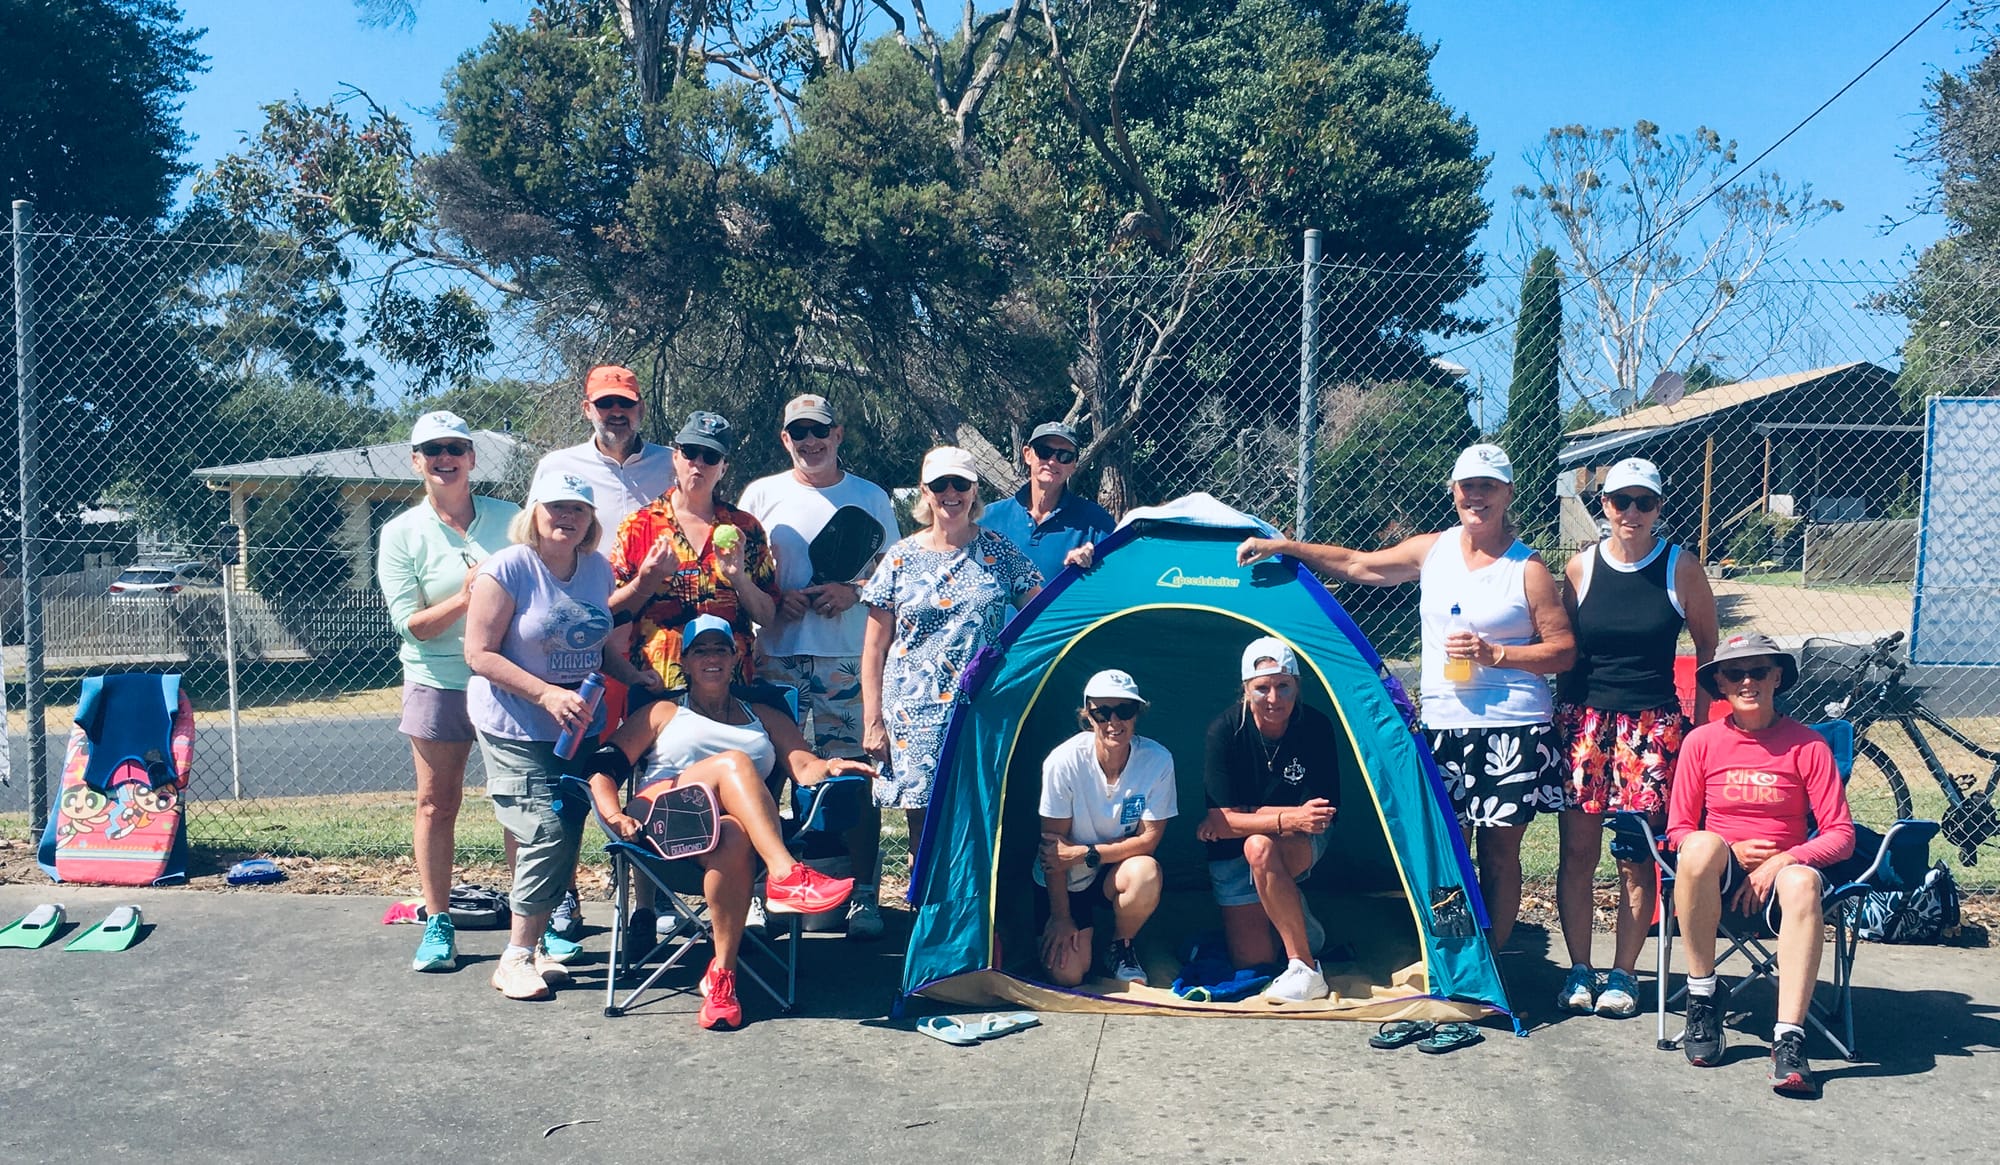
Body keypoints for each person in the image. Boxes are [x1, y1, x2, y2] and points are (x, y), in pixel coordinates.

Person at [1236, 443, 1573, 954]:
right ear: (1454, 492)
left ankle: (1495, 963)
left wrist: (1496, 655)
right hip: (1443, 727)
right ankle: (1458, 954)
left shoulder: (1526, 568)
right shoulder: (1431, 550)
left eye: (1488, 486)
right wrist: (1287, 548)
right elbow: (1357, 564)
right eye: (1467, 486)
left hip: (1513, 727)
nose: (1476, 496)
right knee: (1445, 849)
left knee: (1500, 855)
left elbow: (1563, 651)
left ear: (1507, 493)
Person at [583, 614, 864, 1030]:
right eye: (701, 650)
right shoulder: (663, 711)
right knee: (734, 763)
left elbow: (803, 765)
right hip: (663, 818)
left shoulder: (765, 715)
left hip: (730, 832)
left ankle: (722, 979)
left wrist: (833, 765)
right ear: (685, 662)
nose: (711, 657)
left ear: (736, 658)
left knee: (731, 834)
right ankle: (787, 873)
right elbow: (602, 768)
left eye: (721, 649)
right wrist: (613, 815)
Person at [1553, 457, 1719, 1018]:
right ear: (1604, 506)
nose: (1631, 512)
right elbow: (1562, 648)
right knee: (1577, 851)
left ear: (1658, 508)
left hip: (1652, 729)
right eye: (1620, 501)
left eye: (1643, 502)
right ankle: (1580, 967)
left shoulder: (1681, 568)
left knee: (1635, 855)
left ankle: (1624, 974)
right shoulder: (1580, 569)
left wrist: (1694, 730)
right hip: (1585, 725)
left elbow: (1709, 654)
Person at [738, 394, 903, 941]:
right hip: (776, 655)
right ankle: (764, 892)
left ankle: (862, 894)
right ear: (786, 439)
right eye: (798, 432)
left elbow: (893, 571)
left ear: (838, 435)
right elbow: (744, 570)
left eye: (820, 430)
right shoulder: (761, 494)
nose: (810, 441)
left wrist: (852, 591)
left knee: (854, 775)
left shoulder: (870, 497)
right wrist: (773, 596)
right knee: (768, 774)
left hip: (845, 658)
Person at [1668, 632, 1857, 1097]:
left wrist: (1784, 858)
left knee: (1801, 883)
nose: (1747, 680)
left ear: (1777, 677)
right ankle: (1702, 996)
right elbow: (1678, 829)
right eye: (1735, 673)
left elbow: (1841, 834)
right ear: (1721, 684)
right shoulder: (1701, 742)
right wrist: (1731, 853)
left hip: (1781, 884)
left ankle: (1789, 1039)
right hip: (1720, 880)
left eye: (1758, 671)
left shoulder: (1808, 745)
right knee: (1697, 847)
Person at [530, 363, 677, 938]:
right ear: (587, 408)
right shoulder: (560, 467)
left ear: (641, 409)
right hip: (577, 646)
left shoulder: (673, 463)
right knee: (568, 771)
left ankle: (652, 897)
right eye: (606, 404)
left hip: (649, 645)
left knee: (647, 764)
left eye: (628, 404)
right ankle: (562, 898)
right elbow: (540, 545)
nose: (618, 413)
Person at [375, 411, 521, 974]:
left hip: (506, 679)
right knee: (437, 803)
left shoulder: (510, 520)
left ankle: (531, 921)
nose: (445, 457)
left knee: (515, 802)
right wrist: (469, 597)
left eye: (455, 447)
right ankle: (438, 922)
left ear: (471, 458)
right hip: (436, 680)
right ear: (417, 461)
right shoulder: (400, 533)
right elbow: (411, 625)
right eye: (432, 449)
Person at [463, 472, 616, 1001]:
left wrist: (631, 672)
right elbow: (479, 653)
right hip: (514, 722)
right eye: (556, 506)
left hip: (579, 725)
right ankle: (516, 956)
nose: (567, 516)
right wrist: (546, 693)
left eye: (579, 508)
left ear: (590, 520)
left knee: (567, 836)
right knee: (545, 829)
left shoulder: (597, 568)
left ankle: (539, 948)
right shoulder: (508, 568)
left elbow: (598, 640)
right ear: (534, 510)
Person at [861, 446, 1043, 844]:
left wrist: (1083, 566)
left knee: (979, 818)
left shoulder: (1001, 552)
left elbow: (1045, 613)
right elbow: (874, 648)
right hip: (914, 712)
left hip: (983, 708)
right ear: (925, 492)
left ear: (974, 490)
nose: (950, 493)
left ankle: (974, 905)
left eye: (960, 483)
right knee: (923, 829)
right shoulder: (900, 558)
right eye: (939, 484)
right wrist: (873, 720)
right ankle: (925, 908)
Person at [1195, 638, 1343, 1004]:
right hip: (1233, 852)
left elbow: (1319, 819)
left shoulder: (1317, 727)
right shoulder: (1224, 731)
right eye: (1262, 688)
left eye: (1283, 686)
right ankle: (1306, 927)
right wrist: (1287, 816)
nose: (1274, 698)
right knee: (1255, 961)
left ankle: (1306, 968)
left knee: (1258, 848)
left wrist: (1242, 819)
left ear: (1297, 685)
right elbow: (1221, 819)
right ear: (1246, 690)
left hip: (1289, 845)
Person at [610, 409, 780, 692]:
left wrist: (739, 579)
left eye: (711, 457)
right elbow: (610, 612)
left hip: (730, 688)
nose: (698, 464)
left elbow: (768, 616)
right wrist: (645, 581)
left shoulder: (745, 529)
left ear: (723, 468)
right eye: (690, 452)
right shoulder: (639, 525)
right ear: (676, 457)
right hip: (660, 684)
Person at [1034, 670, 1177, 987]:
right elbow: (1053, 851)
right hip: (1065, 880)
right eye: (1102, 712)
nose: (1114, 722)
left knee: (1146, 872)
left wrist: (1086, 854)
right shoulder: (1063, 762)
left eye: (1124, 710)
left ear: (1137, 713)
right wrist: (1060, 916)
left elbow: (1150, 840)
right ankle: (1064, 934)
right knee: (1069, 974)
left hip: (1106, 869)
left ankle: (1120, 945)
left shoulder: (1158, 760)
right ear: (1088, 715)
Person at [981, 421, 1115, 584]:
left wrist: (1094, 564)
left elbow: (1117, 578)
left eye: (1064, 456)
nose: (1052, 461)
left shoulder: (1096, 522)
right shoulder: (989, 517)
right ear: (1027, 455)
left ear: (1073, 465)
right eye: (1044, 452)